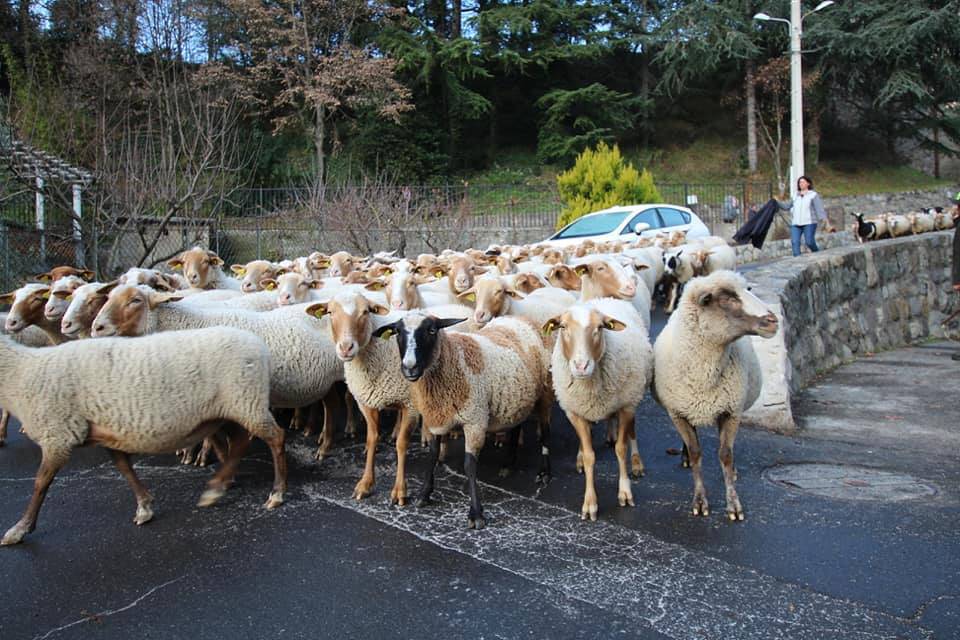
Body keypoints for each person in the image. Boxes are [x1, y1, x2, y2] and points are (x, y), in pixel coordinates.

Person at [779, 176, 828, 257]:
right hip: (796, 224)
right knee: (795, 242)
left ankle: (818, 254)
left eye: (803, 182)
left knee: (809, 242)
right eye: (799, 182)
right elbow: (786, 206)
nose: (800, 184)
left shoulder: (813, 195)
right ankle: (797, 262)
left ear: (808, 183)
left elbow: (819, 210)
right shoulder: (795, 195)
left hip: (809, 223)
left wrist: (825, 222)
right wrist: (776, 203)